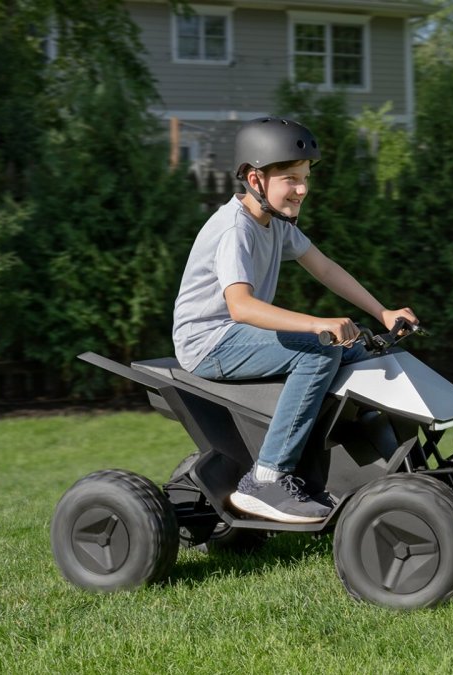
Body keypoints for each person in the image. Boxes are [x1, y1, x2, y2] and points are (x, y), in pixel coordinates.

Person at [172, 116, 417, 522]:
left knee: (359, 349)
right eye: (290, 179)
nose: (302, 189)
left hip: (237, 335)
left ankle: (372, 463)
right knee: (317, 353)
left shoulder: (276, 224)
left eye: (305, 178)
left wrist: (382, 312)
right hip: (209, 342)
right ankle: (265, 480)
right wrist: (316, 324)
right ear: (255, 179)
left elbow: (325, 268)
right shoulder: (235, 229)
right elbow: (241, 306)